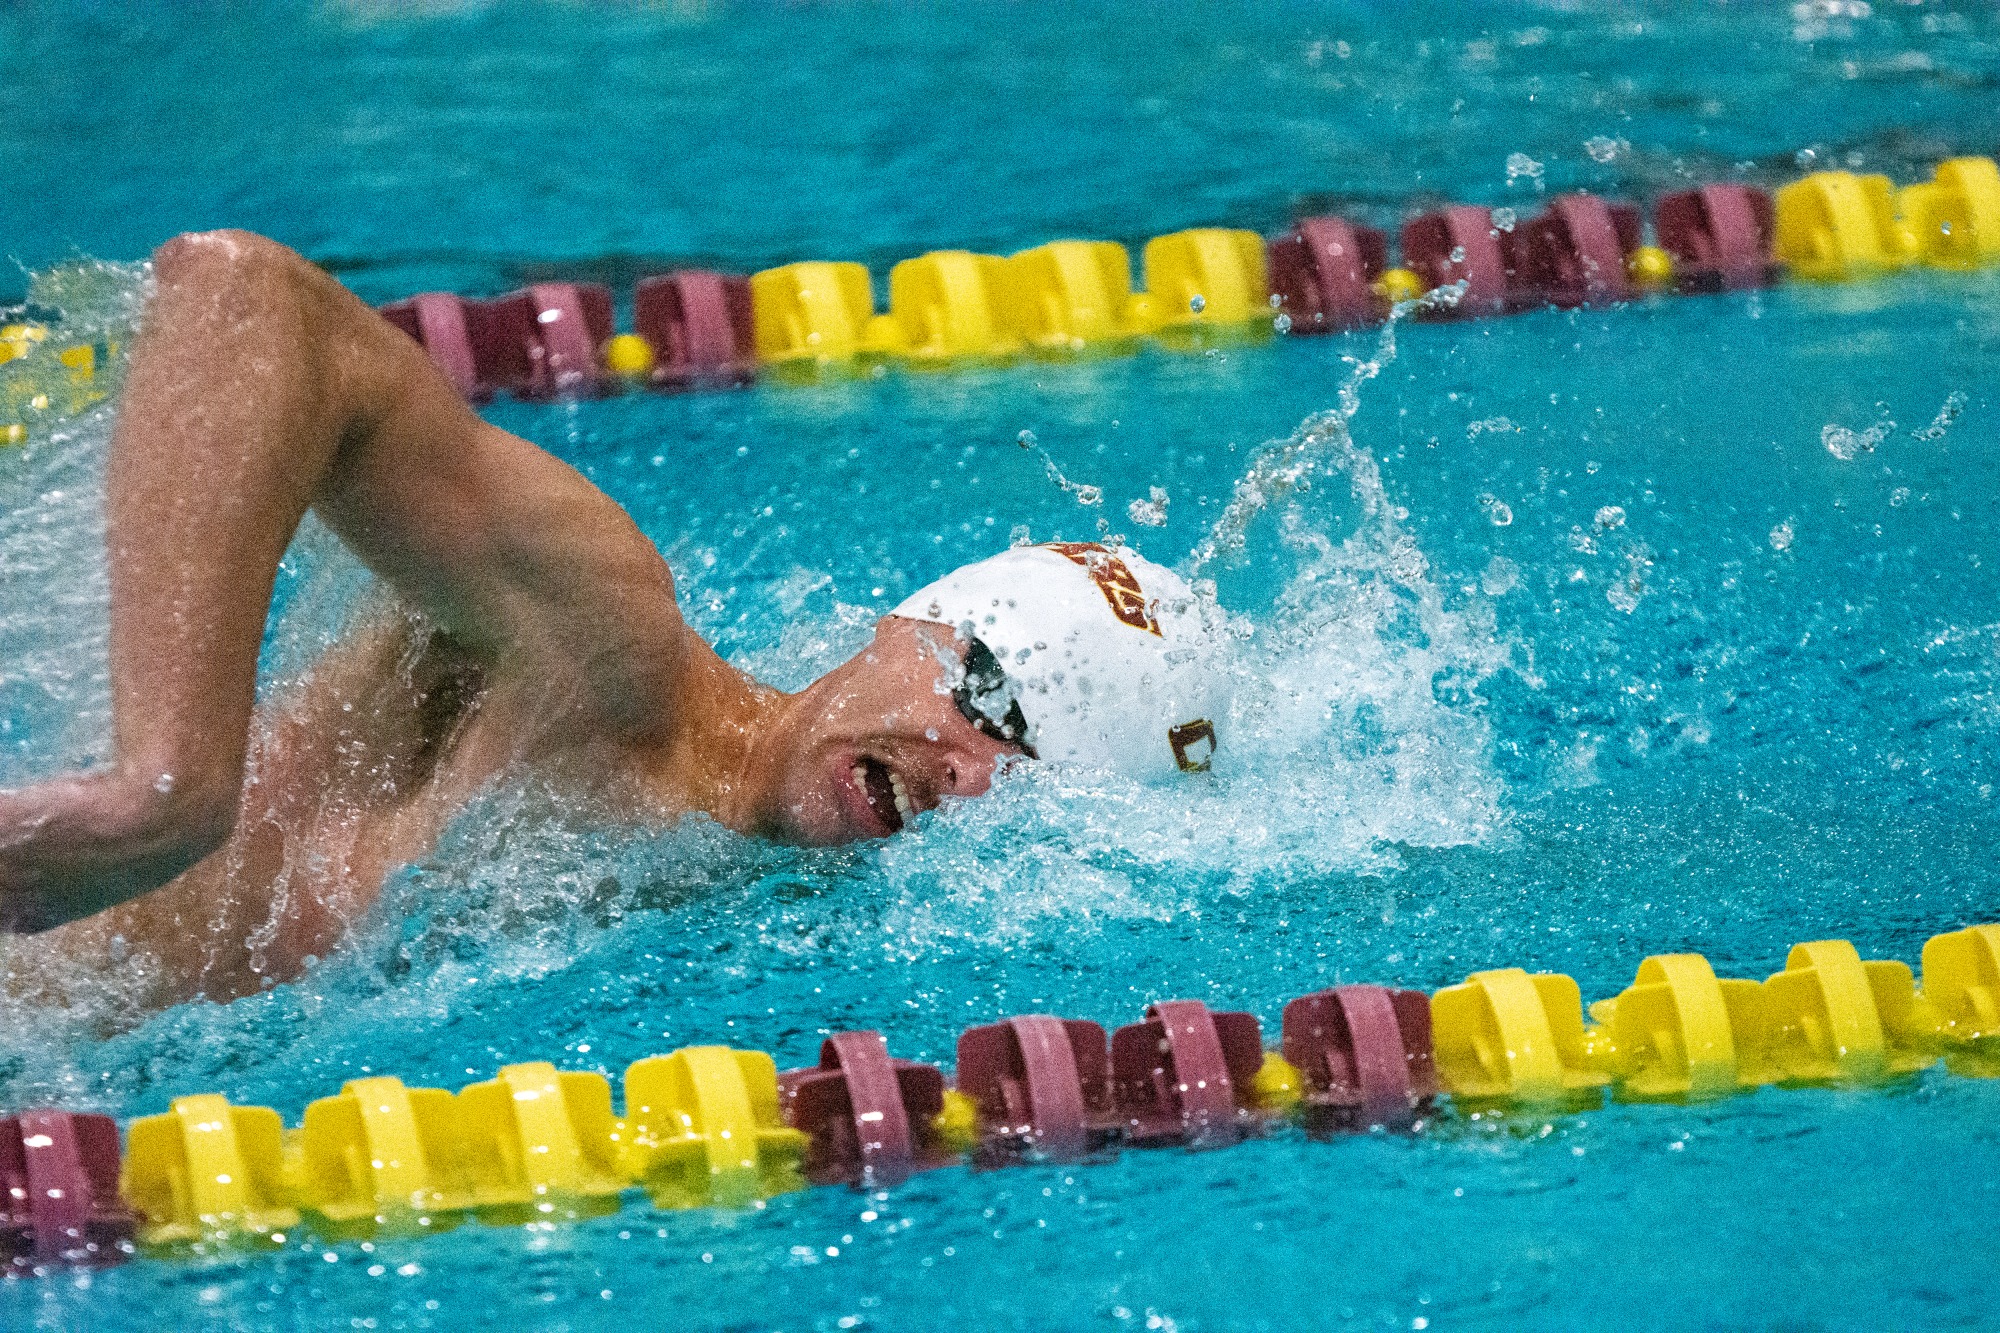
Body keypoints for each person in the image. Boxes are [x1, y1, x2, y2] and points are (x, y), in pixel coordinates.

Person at [0, 231, 1219, 1006]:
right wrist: (165, 790)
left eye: (1033, 775)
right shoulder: (608, 643)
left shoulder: (753, 897)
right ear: (916, 625)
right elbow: (244, 299)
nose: (971, 778)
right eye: (991, 699)